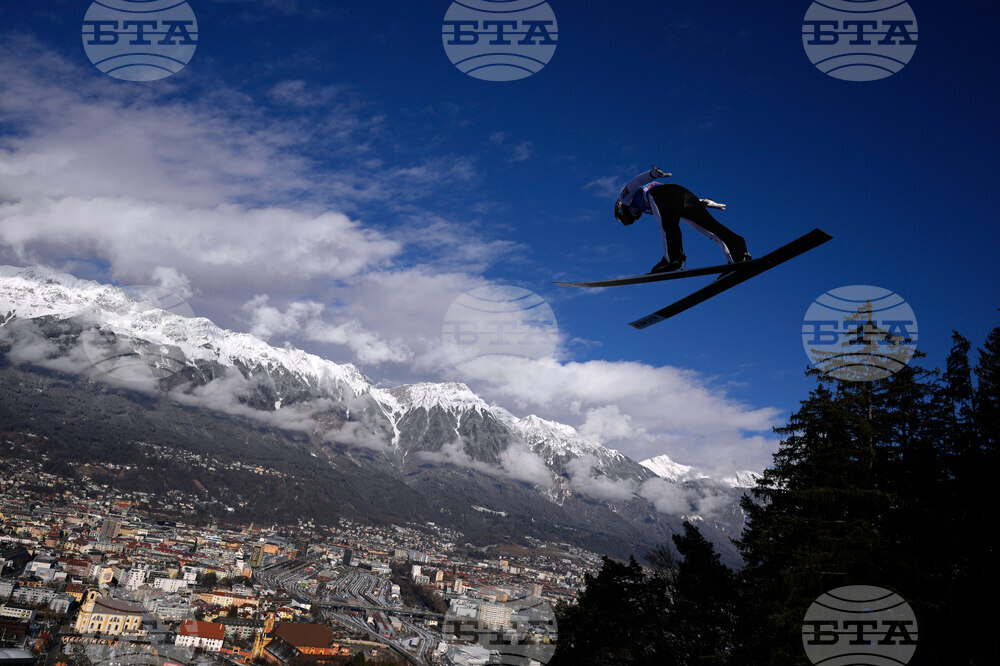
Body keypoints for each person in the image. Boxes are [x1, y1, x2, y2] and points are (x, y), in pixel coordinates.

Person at [614, 167, 751, 273]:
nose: (635, 215)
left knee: (668, 226)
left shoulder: (624, 198)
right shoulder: (644, 206)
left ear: (621, 210)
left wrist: (652, 174)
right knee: (709, 227)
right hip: (681, 194)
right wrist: (703, 202)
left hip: (662, 195)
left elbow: (634, 183)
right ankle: (738, 252)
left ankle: (672, 260)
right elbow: (676, 198)